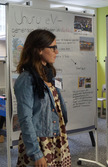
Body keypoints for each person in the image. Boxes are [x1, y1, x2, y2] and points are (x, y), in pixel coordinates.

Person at [14, 29, 71, 167]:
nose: (56, 52)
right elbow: (25, 119)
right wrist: (36, 153)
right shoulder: (27, 79)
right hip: (40, 143)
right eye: (53, 48)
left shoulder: (48, 74)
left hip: (56, 138)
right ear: (39, 50)